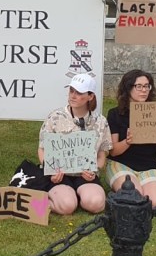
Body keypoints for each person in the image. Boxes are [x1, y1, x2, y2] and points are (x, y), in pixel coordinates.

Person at [37, 73, 111, 215]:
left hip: (85, 174)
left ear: (90, 96)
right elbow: (42, 149)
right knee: (67, 206)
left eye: (79, 92)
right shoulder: (55, 117)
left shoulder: (100, 121)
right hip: (60, 175)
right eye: (71, 91)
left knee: (96, 204)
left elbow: (103, 153)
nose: (73, 96)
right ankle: (46, 200)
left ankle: (79, 196)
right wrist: (51, 170)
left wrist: (95, 169)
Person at [104, 70, 156, 209]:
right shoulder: (115, 114)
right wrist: (128, 141)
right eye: (139, 86)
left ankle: (122, 193)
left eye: (147, 86)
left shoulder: (155, 112)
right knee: (134, 196)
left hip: (148, 165)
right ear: (128, 88)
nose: (144, 90)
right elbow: (113, 152)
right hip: (122, 164)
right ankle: (119, 190)